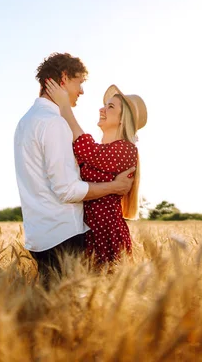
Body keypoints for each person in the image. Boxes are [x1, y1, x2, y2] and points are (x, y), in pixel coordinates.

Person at [14, 52, 136, 287]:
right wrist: (115, 187)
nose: (81, 91)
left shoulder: (26, 121)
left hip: (40, 235)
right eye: (79, 83)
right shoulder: (54, 123)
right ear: (63, 79)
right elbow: (66, 190)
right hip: (63, 236)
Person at [45, 79, 147, 266]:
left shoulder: (126, 149)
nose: (102, 109)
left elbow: (86, 148)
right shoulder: (101, 150)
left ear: (124, 118)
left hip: (106, 231)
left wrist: (65, 105)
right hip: (86, 229)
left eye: (110, 107)